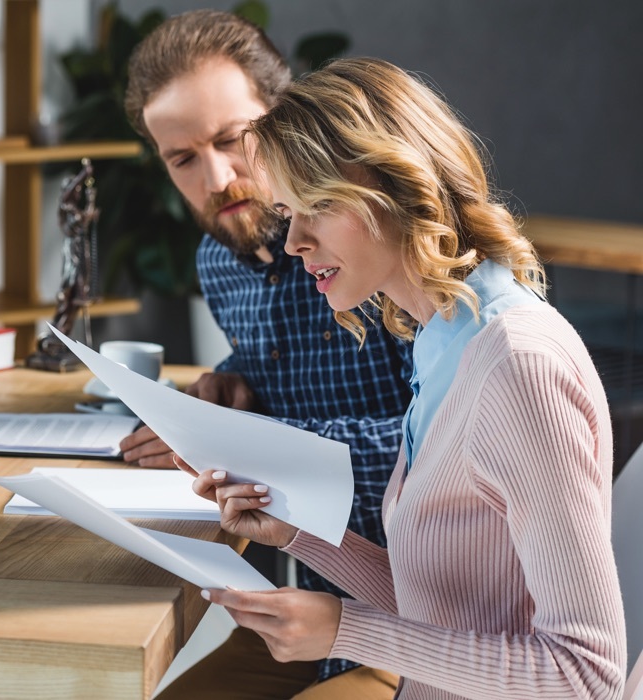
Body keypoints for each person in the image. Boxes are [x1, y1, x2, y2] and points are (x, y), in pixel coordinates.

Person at [186, 56, 626, 699]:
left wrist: (347, 631)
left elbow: (585, 678)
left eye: (320, 207)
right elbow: (445, 610)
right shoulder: (442, 341)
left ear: (396, 183)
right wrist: (297, 532)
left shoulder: (517, 368)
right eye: (289, 212)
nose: (294, 242)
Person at [121, 10, 409, 696]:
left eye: (232, 140)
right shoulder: (216, 259)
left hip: (422, 626)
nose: (217, 178)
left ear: (285, 118)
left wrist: (257, 445)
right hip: (309, 613)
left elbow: (451, 448)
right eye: (183, 158)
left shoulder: (371, 242)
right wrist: (232, 385)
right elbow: (281, 364)